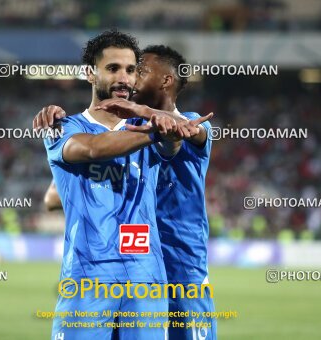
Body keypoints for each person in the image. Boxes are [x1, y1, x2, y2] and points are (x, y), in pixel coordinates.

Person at [38, 30, 211, 340]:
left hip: (145, 272)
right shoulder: (61, 126)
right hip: (88, 273)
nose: (124, 77)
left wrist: (158, 124)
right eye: (113, 68)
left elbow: (173, 145)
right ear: (89, 73)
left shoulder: (146, 124)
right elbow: (91, 149)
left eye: (131, 70)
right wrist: (156, 129)